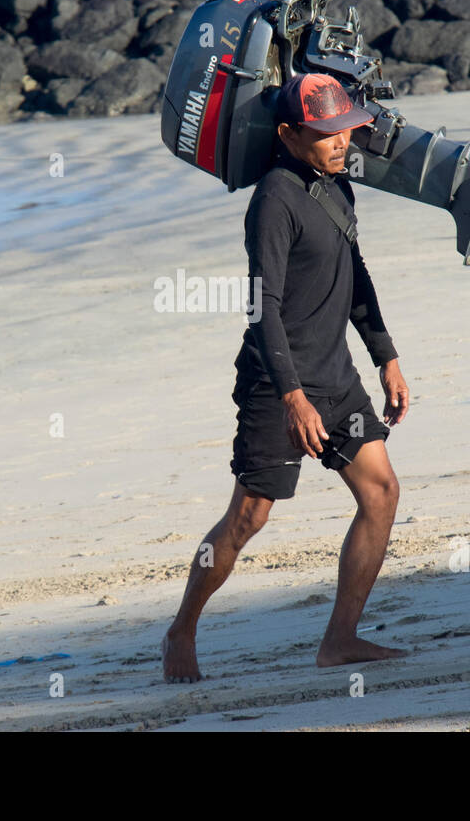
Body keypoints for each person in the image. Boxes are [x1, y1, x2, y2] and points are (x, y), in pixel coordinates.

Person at [163, 72, 410, 683]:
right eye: (324, 134)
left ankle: (340, 639)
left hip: (336, 377)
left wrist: (386, 356)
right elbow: (262, 307)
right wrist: (294, 397)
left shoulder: (336, 187)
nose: (338, 142)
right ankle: (181, 630)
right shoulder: (273, 200)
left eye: (342, 130)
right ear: (288, 133)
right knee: (250, 515)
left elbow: (356, 277)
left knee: (380, 493)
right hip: (279, 385)